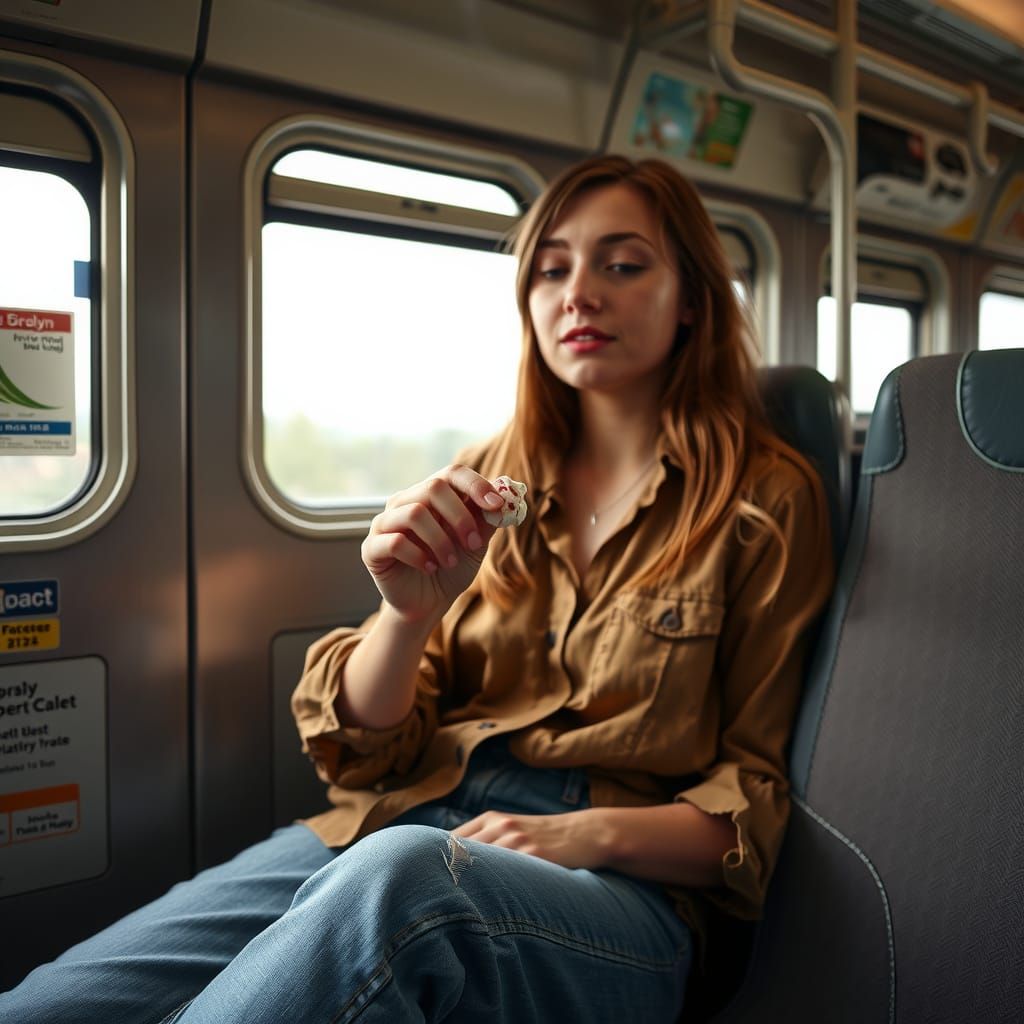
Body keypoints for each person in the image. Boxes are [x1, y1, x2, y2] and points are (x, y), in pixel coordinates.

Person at [0, 155, 833, 1023]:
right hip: (414, 811)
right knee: (61, 1003)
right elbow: (367, 745)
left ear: (692, 297)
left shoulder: (765, 500)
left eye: (622, 265)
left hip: (623, 886)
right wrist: (405, 615)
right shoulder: (487, 476)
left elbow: (753, 799)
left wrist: (575, 834)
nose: (578, 293)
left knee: (404, 886)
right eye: (551, 269)